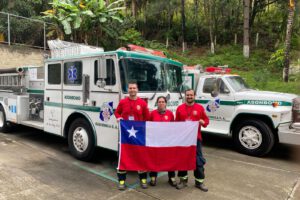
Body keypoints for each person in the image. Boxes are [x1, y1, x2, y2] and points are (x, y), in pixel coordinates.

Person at [115, 81, 150, 190]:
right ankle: (121, 181)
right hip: (125, 135)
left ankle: (143, 180)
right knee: (124, 156)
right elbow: (117, 112)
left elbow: (147, 117)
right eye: (130, 88)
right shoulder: (123, 102)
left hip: (138, 136)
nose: (132, 90)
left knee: (140, 156)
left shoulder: (143, 103)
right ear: (128, 89)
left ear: (137, 89)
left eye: (134, 88)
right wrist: (118, 118)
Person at [175, 89, 209, 192]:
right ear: (185, 96)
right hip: (183, 140)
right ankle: (183, 180)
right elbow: (176, 124)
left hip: (196, 139)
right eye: (187, 95)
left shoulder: (199, 108)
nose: (189, 97)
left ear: (194, 96)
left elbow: (206, 121)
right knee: (182, 159)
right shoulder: (180, 108)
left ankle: (199, 182)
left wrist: (203, 122)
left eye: (191, 95)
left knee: (198, 160)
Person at [148, 96, 177, 187]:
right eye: (159, 102)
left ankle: (171, 177)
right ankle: (153, 177)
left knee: (169, 158)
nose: (161, 103)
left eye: (163, 101)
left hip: (167, 141)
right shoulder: (152, 113)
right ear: (157, 103)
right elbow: (148, 125)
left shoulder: (170, 114)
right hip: (156, 140)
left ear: (165, 103)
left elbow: (173, 127)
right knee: (155, 158)